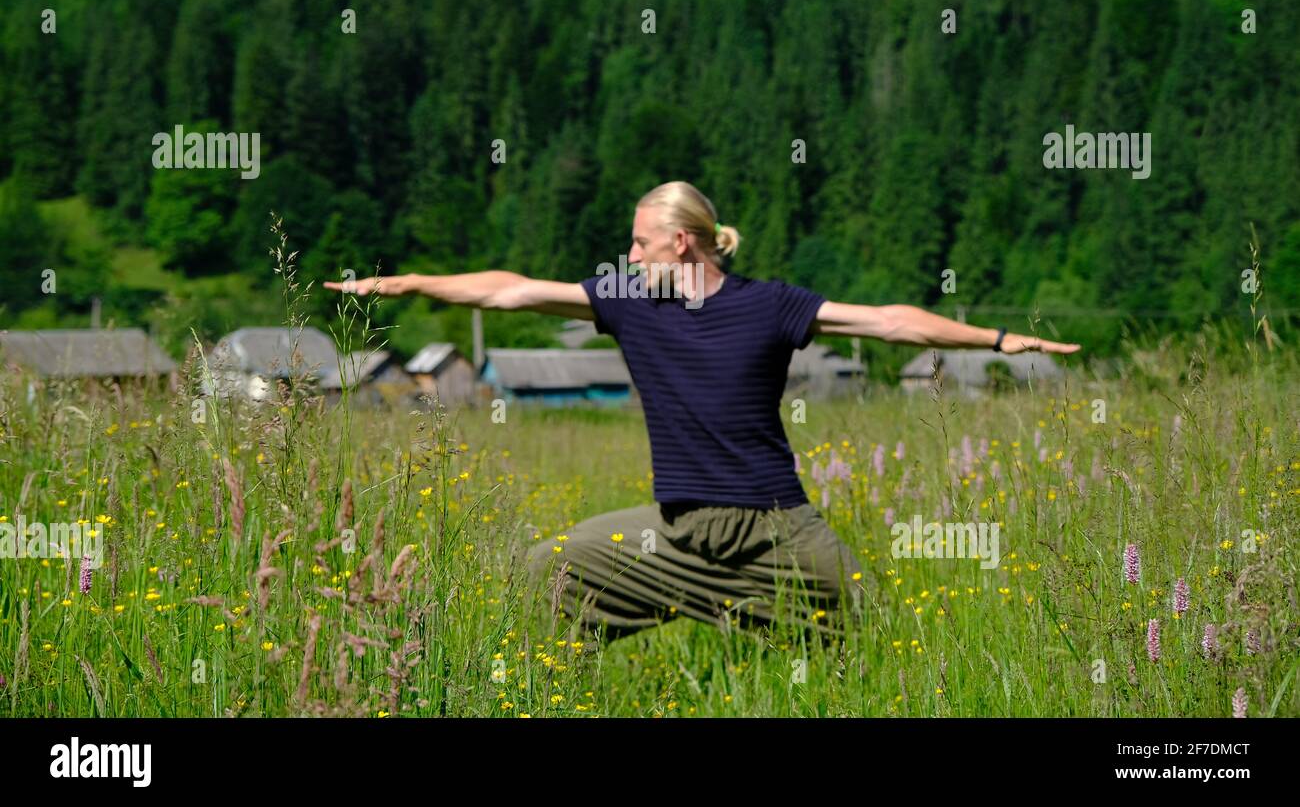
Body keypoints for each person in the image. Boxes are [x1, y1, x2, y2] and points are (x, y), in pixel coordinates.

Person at [325, 181, 1081, 648]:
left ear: (679, 242)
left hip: (779, 531)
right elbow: (511, 290)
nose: (627, 251)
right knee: (541, 571)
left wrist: (999, 337)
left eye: (638, 240)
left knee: (881, 634)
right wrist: (415, 282)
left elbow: (890, 322)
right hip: (676, 533)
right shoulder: (627, 301)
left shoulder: (771, 305)